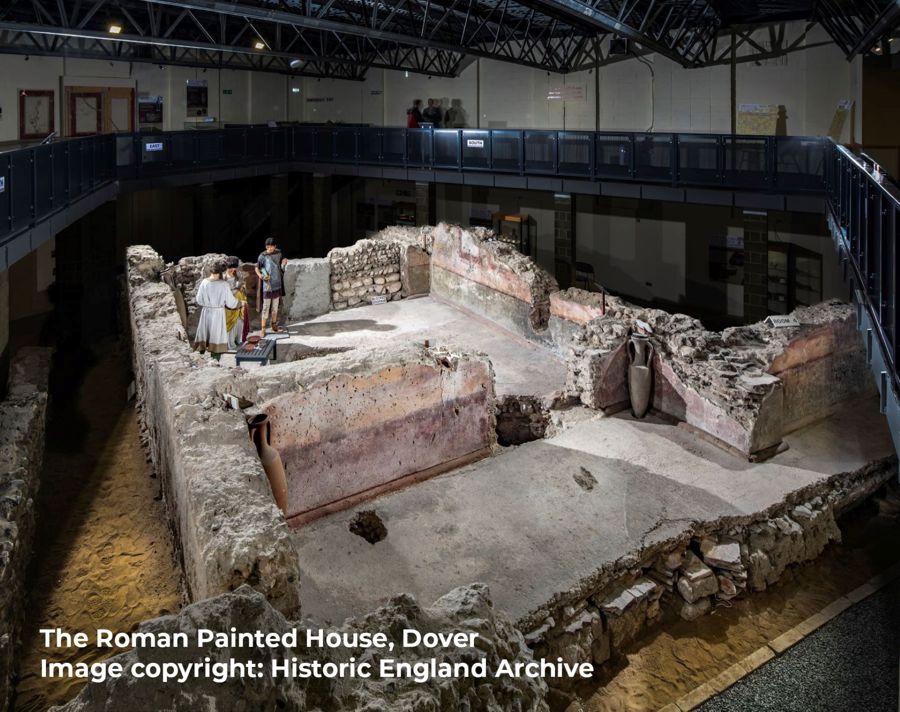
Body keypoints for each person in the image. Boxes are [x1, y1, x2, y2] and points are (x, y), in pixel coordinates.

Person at [193, 261, 239, 360]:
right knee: (216, 337)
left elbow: (199, 300)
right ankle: (215, 361)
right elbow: (231, 303)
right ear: (220, 272)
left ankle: (201, 360)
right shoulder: (223, 284)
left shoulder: (204, 282)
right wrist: (239, 303)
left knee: (204, 335)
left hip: (206, 312)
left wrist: (208, 304)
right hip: (218, 314)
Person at [255, 237, 289, 337]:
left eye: (271, 247)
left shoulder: (278, 254)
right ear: (266, 247)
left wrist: (284, 264)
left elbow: (280, 269)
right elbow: (257, 267)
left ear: (275, 246)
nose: (270, 249)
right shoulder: (262, 256)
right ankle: (263, 329)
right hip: (268, 285)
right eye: (268, 247)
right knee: (266, 307)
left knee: (275, 307)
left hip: (277, 284)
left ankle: (274, 326)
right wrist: (260, 275)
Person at [224, 256, 249, 350]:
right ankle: (230, 343)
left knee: (239, 321)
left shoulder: (238, 274)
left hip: (239, 300)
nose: (232, 269)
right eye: (230, 268)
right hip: (229, 303)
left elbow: (243, 284)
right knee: (230, 322)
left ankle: (238, 339)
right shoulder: (223, 277)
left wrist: (242, 286)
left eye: (234, 267)